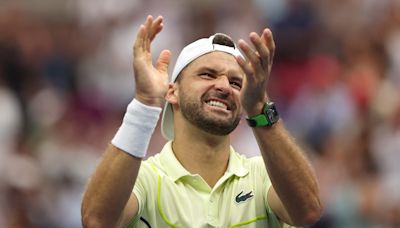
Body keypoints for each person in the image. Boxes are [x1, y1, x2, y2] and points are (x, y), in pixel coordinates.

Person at [81, 15, 322, 228]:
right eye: (207, 74)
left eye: (236, 83)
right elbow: (98, 221)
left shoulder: (263, 174)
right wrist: (145, 103)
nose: (224, 86)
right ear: (172, 92)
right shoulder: (143, 179)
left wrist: (259, 106)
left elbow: (307, 212)